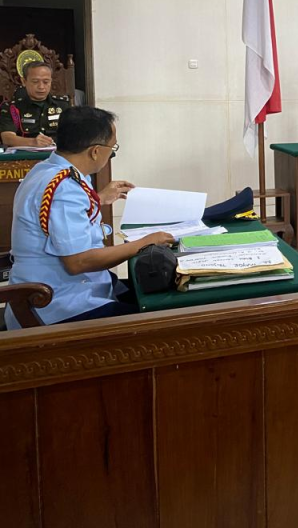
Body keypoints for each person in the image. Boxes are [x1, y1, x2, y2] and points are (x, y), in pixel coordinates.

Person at [4, 106, 173, 330]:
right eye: (112, 148)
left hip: (59, 290)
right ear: (95, 151)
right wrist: (145, 242)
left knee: (149, 292)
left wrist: (98, 198)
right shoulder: (64, 187)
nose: (110, 154)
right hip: (57, 306)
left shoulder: (46, 169)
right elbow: (79, 261)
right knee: (164, 321)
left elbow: (56, 214)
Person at [0, 61, 72, 148]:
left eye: (46, 82)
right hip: (25, 154)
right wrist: (33, 142)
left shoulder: (63, 105)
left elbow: (74, 133)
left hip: (58, 153)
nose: (41, 87)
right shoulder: (12, 107)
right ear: (24, 81)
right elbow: (7, 138)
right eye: (35, 82)